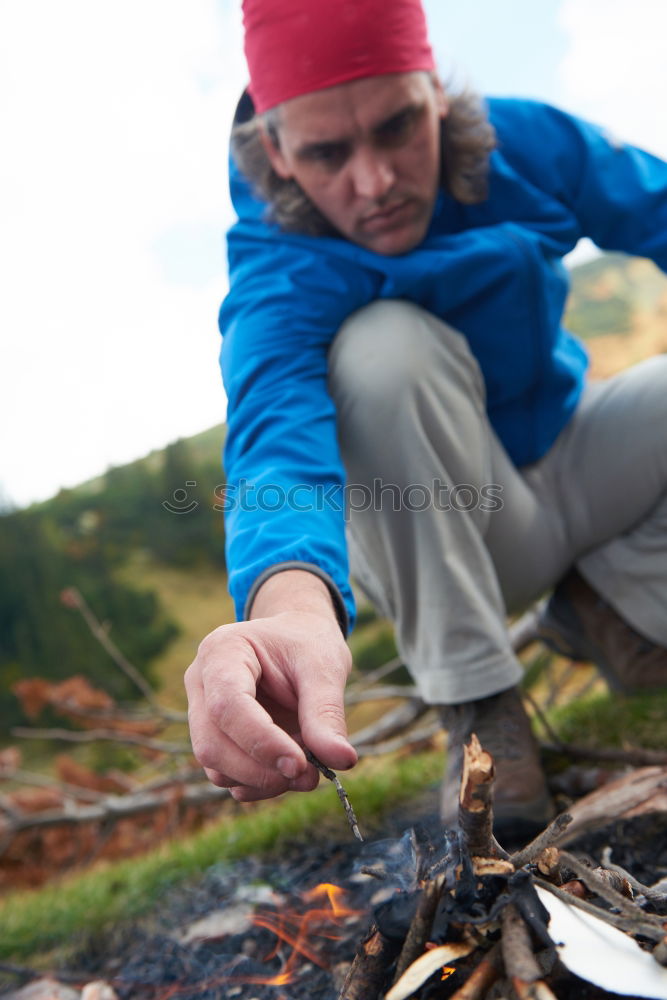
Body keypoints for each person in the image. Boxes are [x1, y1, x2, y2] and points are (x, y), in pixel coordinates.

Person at [185, 0, 667, 837]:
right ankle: (477, 702)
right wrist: (290, 613)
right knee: (380, 349)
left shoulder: (528, 144)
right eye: (329, 152)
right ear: (277, 152)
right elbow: (274, 440)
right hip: (458, 535)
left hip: (573, 456)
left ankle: (611, 605)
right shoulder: (278, 268)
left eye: (397, 126)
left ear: (434, 94)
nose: (374, 182)